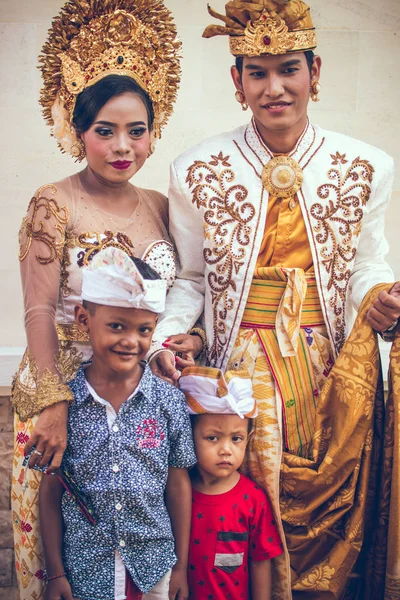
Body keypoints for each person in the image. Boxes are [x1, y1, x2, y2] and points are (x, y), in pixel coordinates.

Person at [150, 1, 400, 597]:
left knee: (333, 513)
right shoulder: (197, 169)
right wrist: (173, 334)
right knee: (246, 508)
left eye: (288, 68)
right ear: (237, 83)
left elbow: (368, 263)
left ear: (316, 71)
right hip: (241, 372)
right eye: (257, 72)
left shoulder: (366, 166)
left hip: (330, 369)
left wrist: (381, 299)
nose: (275, 87)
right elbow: (189, 277)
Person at [11, 1, 195, 598]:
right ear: (77, 130)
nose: (123, 146)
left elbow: (171, 297)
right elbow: (39, 309)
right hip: (63, 385)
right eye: (105, 131)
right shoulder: (52, 202)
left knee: (142, 541)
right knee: (60, 551)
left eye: (137, 130)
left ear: (153, 129)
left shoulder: (160, 207)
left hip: (136, 391)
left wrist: (171, 344)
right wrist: (53, 403)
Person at [38, 247, 196, 600]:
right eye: (116, 326)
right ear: (83, 319)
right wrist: (55, 573)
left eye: (144, 330)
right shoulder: (67, 405)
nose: (130, 340)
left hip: (154, 567)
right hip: (84, 569)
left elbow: (178, 484)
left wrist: (181, 567)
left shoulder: (168, 401)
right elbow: (51, 489)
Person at [179, 367, 283, 600]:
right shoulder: (178, 493)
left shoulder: (253, 498)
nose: (226, 450)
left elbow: (260, 562)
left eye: (236, 439)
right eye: (212, 438)